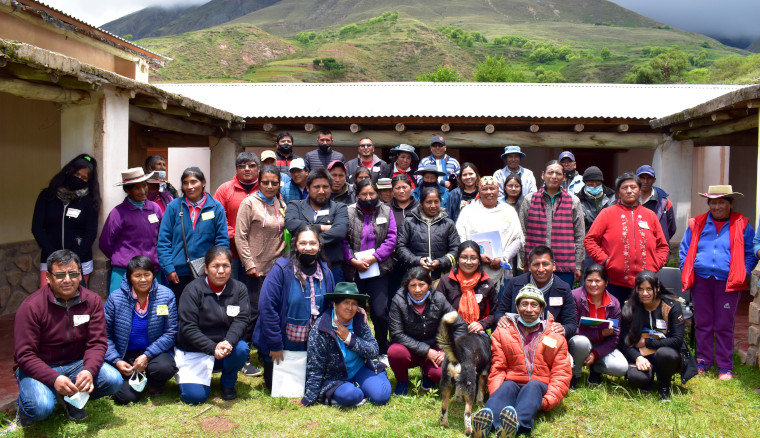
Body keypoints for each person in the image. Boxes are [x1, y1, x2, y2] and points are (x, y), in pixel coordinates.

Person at [14, 250, 122, 425]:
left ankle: (70, 399)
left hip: (76, 364)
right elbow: (25, 355)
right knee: (41, 407)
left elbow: (97, 343)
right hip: (41, 365)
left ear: (80, 275)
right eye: (60, 275)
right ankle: (26, 408)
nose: (67, 279)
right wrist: (54, 378)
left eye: (72, 274)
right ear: (48, 277)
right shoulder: (31, 307)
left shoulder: (92, 301)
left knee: (113, 380)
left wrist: (88, 370)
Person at [472, 284, 571, 438]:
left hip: (539, 383)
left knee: (532, 387)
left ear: (542, 309)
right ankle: (486, 423)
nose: (529, 309)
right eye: (524, 304)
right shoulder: (502, 332)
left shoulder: (555, 336)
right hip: (513, 380)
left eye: (534, 305)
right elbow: (498, 368)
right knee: (506, 387)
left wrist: (546, 401)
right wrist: (496, 393)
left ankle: (515, 424)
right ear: (517, 307)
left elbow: (561, 373)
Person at [679, 185, 756, 380]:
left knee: (724, 324)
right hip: (702, 280)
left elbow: (750, 253)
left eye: (722, 202)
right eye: (713, 202)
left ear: (731, 203)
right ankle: (703, 361)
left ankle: (725, 367)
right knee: (703, 323)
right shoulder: (697, 223)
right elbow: (684, 249)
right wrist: (687, 268)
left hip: (728, 281)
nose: (717, 206)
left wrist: (743, 271)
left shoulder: (742, 224)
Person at [254, 225, 336, 390]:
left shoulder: (325, 271)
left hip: (312, 346)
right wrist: (275, 345)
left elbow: (332, 305)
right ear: (295, 245)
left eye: (312, 243)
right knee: (279, 388)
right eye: (303, 243)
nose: (308, 247)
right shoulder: (282, 269)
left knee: (311, 387)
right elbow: (267, 307)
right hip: (282, 347)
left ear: (319, 246)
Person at [175, 246, 250, 403]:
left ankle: (228, 383)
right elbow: (188, 327)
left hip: (224, 348)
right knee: (195, 397)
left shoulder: (239, 289)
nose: (221, 271)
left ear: (231, 266)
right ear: (206, 269)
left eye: (226, 266)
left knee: (242, 348)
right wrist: (211, 347)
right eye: (215, 266)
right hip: (195, 350)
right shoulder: (192, 290)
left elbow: (241, 319)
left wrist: (228, 342)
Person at [584, 172, 670, 305]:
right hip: (615, 281)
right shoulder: (607, 213)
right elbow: (590, 240)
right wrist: (607, 261)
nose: (629, 191)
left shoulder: (650, 215)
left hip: (646, 283)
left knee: (643, 321)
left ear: (639, 190)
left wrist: (656, 264)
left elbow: (663, 246)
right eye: (625, 188)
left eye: (633, 187)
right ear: (619, 192)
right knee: (616, 320)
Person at [235, 165, 288, 377]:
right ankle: (243, 357)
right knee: (252, 313)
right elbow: (240, 236)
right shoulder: (248, 203)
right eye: (265, 182)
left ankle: (263, 351)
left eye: (274, 182)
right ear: (259, 181)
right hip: (255, 269)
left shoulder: (280, 203)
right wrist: (249, 264)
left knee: (273, 312)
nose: (269, 186)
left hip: (276, 268)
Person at [302, 282, 391, 407]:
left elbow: (374, 350)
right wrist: (309, 398)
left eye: (354, 304)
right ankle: (350, 392)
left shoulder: (359, 320)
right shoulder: (321, 328)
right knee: (353, 395)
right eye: (346, 303)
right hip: (335, 378)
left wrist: (350, 339)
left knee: (381, 396)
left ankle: (375, 375)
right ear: (335, 304)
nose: (350, 307)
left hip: (359, 369)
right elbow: (315, 366)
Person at [104, 256, 178, 404]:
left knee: (165, 367)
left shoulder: (166, 295)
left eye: (147, 274)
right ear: (129, 277)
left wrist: (147, 355)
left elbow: (171, 332)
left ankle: (154, 383)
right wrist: (117, 361)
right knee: (126, 398)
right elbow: (104, 335)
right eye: (137, 275)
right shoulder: (116, 298)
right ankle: (132, 379)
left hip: (154, 353)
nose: (143, 280)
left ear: (153, 275)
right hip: (125, 355)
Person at [388, 267, 466, 395]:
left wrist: (448, 351)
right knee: (395, 352)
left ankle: (427, 374)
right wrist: (426, 351)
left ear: (429, 285)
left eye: (421, 285)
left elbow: (460, 325)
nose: (417, 290)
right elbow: (397, 334)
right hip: (409, 348)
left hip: (435, 346)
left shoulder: (439, 299)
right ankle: (402, 381)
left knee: (440, 374)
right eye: (412, 285)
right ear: (406, 286)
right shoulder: (398, 300)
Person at [157, 167, 229, 301]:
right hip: (178, 274)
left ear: (203, 183)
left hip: (207, 273)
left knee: (206, 313)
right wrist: (168, 268)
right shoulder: (174, 207)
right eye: (185, 183)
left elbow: (222, 241)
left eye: (193, 182)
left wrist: (217, 266)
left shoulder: (216, 207)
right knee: (181, 312)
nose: (189, 186)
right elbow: (163, 241)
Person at [619, 271, 694, 400]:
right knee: (636, 378)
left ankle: (665, 386)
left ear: (657, 288)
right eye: (640, 289)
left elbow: (677, 340)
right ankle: (648, 376)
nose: (645, 293)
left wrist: (647, 342)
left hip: (666, 353)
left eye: (649, 289)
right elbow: (624, 341)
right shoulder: (629, 307)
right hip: (642, 355)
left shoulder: (672, 306)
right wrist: (637, 357)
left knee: (665, 354)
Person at [344, 179, 397, 356]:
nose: (368, 197)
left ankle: (382, 347)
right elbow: (343, 240)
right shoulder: (348, 212)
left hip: (379, 269)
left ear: (377, 194)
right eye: (364, 194)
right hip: (354, 270)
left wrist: (375, 258)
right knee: (354, 311)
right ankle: (357, 348)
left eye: (372, 194)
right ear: (357, 194)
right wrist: (352, 260)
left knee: (380, 312)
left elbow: (391, 238)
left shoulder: (386, 211)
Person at [32, 153, 100, 287]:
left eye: (84, 178)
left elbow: (90, 232)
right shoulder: (47, 196)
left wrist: (74, 259)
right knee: (48, 301)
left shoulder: (88, 201)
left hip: (79, 261)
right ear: (68, 171)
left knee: (76, 303)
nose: (79, 179)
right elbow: (37, 228)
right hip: (50, 260)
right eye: (77, 175)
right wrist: (55, 257)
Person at [520, 160, 585, 286]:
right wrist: (525, 261)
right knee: (535, 300)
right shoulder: (529, 200)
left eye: (558, 173)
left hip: (564, 264)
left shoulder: (573, 201)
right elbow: (522, 233)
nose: (554, 176)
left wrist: (578, 265)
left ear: (564, 177)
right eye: (550, 173)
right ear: (543, 175)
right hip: (535, 263)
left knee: (560, 300)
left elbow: (579, 235)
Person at [99, 168, 163, 293]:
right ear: (127, 190)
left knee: (152, 308)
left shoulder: (155, 209)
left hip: (152, 269)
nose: (142, 191)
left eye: (144, 185)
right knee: (121, 307)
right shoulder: (118, 213)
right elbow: (105, 243)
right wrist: (123, 256)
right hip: (124, 271)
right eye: (137, 188)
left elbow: (161, 238)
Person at [495, 245, 578, 341]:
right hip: (518, 338)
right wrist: (502, 318)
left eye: (545, 264)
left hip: (549, 340)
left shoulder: (563, 288)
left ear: (554, 266)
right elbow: (500, 312)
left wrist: (563, 328)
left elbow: (571, 324)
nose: (541, 269)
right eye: (536, 264)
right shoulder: (515, 283)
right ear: (529, 266)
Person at [456, 176, 524, 291]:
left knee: (501, 306)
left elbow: (517, 239)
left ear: (498, 190)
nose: (489, 192)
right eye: (485, 189)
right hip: (473, 269)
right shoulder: (468, 211)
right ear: (479, 191)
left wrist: (504, 258)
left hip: (502, 273)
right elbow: (460, 237)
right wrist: (476, 256)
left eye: (492, 188)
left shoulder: (509, 211)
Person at [567, 264, 627, 389]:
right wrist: (599, 334)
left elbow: (615, 336)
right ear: (584, 281)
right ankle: (575, 374)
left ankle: (596, 369)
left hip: (601, 346)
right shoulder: (574, 297)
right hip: (578, 344)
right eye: (589, 280)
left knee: (621, 367)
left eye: (598, 281)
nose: (593, 284)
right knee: (581, 342)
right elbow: (572, 328)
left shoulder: (613, 303)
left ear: (606, 283)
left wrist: (596, 354)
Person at [285, 168, 349, 282]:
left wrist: (307, 239)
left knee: (334, 300)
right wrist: (321, 227)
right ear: (308, 188)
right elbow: (291, 224)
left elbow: (340, 231)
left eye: (325, 187)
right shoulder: (295, 206)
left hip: (332, 268)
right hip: (300, 268)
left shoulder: (339, 208)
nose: (321, 191)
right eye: (316, 187)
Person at [214, 151, 260, 283]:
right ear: (236, 169)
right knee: (231, 292)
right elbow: (219, 219)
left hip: (259, 254)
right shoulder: (224, 189)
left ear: (258, 168)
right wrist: (238, 238)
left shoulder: (266, 188)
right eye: (242, 166)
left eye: (251, 166)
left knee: (255, 295)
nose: (246, 169)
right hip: (232, 252)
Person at [397, 186, 460, 280]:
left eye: (436, 201)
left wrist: (440, 262)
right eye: (428, 202)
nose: (433, 206)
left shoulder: (448, 223)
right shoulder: (409, 222)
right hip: (415, 276)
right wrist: (417, 261)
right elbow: (400, 247)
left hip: (441, 277)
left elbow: (456, 249)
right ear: (421, 204)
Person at [436, 241, 499, 332]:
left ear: (479, 261)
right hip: (450, 331)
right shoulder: (446, 281)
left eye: (473, 258)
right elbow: (437, 309)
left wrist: (482, 324)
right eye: (464, 257)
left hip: (477, 333)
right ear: (457, 259)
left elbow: (494, 313)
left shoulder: (487, 283)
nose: (468, 262)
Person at [636, 165, 677, 245]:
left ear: (654, 180)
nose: (645, 181)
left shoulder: (664, 202)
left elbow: (671, 228)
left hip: (656, 248)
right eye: (642, 178)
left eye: (649, 178)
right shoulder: (630, 200)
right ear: (636, 180)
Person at [577, 166, 615, 234]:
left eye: (598, 182)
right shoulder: (578, 200)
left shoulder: (612, 198)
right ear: (585, 183)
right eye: (591, 183)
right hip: (587, 240)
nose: (594, 185)